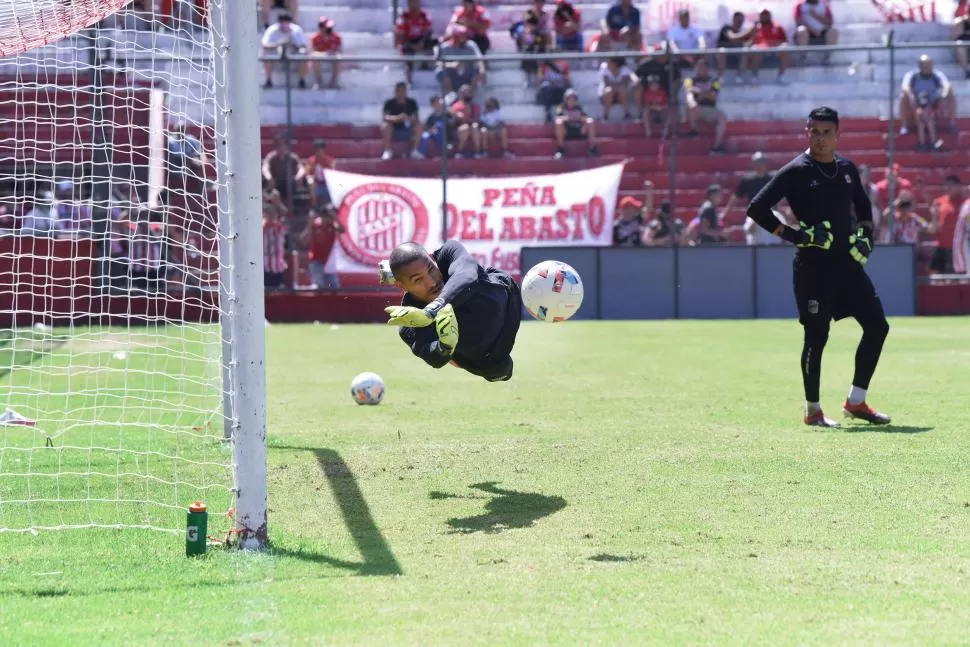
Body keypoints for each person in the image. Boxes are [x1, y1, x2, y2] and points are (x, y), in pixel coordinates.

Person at [746, 106, 891, 427]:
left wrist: (866, 231)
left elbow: (863, 204)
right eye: (815, 131)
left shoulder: (847, 169)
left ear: (838, 135)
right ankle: (813, 410)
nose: (820, 138)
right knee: (816, 337)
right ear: (806, 132)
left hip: (848, 266)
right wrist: (795, 236)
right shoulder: (797, 170)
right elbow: (757, 207)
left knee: (878, 326)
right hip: (812, 269)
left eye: (827, 132)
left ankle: (856, 402)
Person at [378, 241, 522, 382]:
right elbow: (433, 358)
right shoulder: (409, 321)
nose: (432, 281)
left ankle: (402, 272)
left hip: (506, 300)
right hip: (489, 358)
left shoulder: (448, 253)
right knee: (500, 372)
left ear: (431, 259)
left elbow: (467, 274)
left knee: (469, 280)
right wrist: (444, 347)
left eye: (431, 269)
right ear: (401, 286)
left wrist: (433, 309)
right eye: (418, 279)